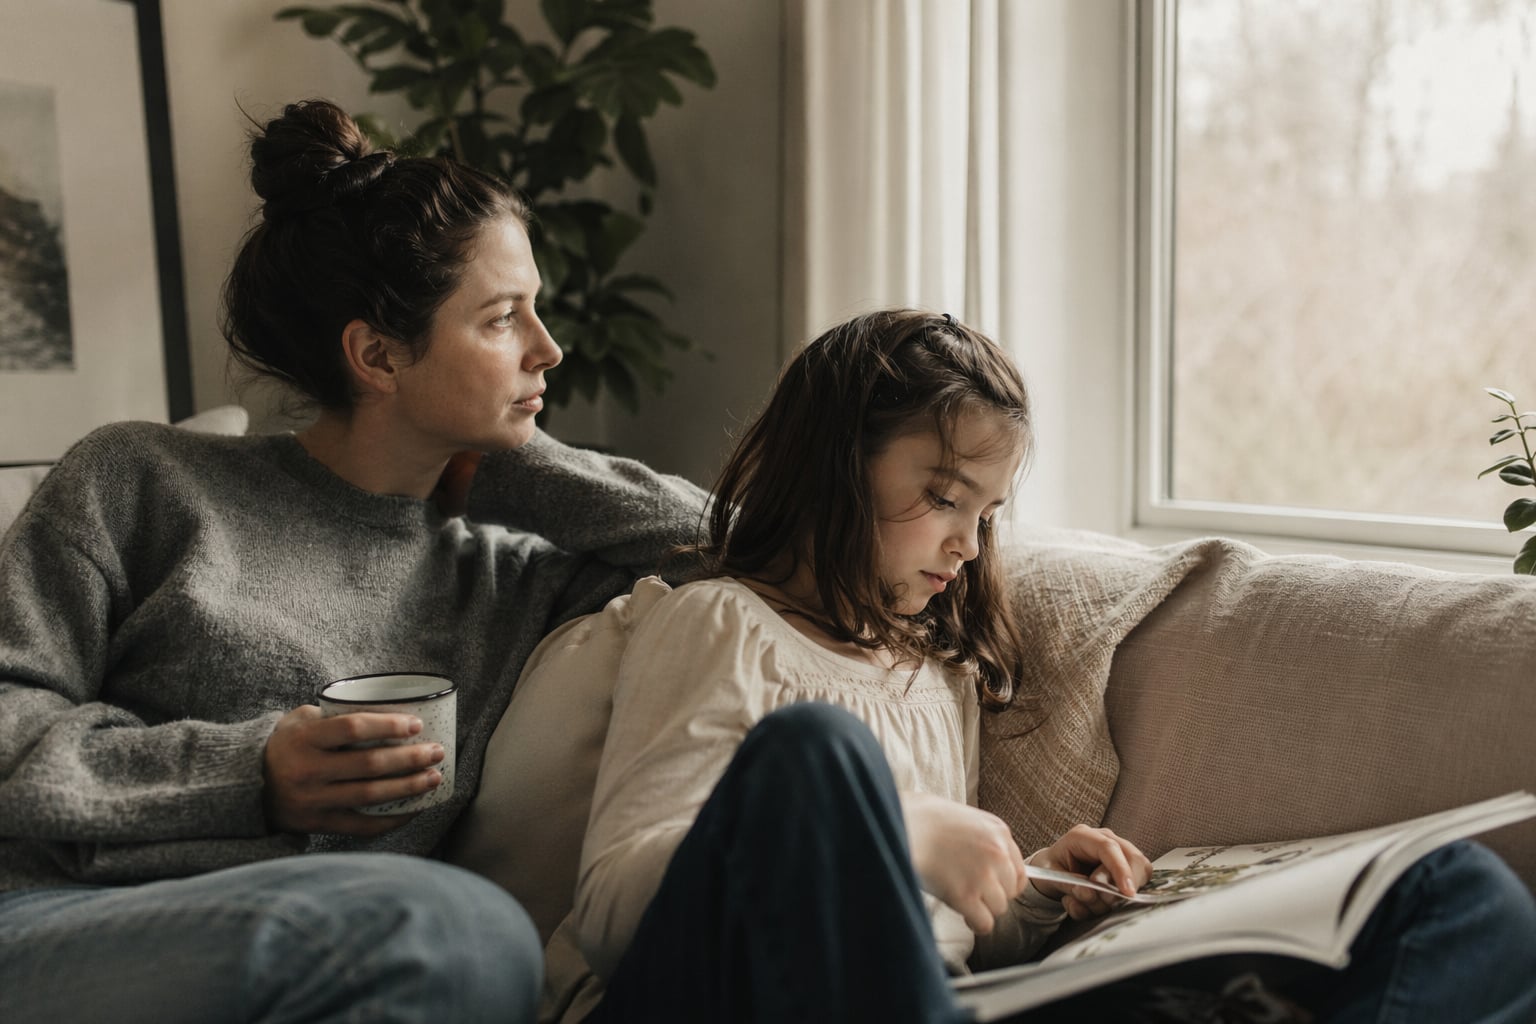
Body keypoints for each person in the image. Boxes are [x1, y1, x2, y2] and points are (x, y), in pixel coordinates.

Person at [561, 309, 1536, 1023]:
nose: (969, 547)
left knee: (1462, 898)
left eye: (986, 515)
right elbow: (610, 913)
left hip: (950, 998)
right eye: (943, 497)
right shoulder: (716, 626)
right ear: (830, 467)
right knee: (814, 753)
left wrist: (1030, 889)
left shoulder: (936, 674)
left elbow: (959, 936)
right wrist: (891, 831)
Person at [0, 99, 706, 1024]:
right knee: (458, 930)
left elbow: (751, 550)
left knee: (455, 940)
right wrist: (250, 774)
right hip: (48, 920)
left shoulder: (510, 578)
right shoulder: (142, 479)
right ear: (377, 354)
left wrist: (523, 466)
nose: (550, 348)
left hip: (350, 957)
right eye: (503, 319)